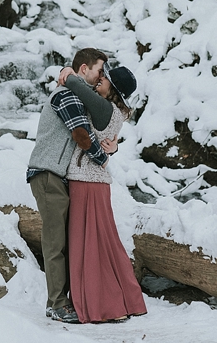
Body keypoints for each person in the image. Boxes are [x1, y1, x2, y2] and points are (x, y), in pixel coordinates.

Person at [57, 62, 147, 324]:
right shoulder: (113, 110)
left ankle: (102, 306)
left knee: (87, 246)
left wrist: (68, 71)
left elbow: (76, 86)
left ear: (114, 90)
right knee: (103, 243)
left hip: (86, 181)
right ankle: (124, 301)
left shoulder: (103, 107)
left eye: (104, 79)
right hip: (94, 180)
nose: (99, 80)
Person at [26, 47, 109, 324]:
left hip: (57, 177)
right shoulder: (67, 95)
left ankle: (68, 301)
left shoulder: (77, 96)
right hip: (48, 174)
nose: (101, 77)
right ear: (83, 69)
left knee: (64, 241)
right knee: (55, 243)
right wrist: (102, 158)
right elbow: (81, 135)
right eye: (98, 70)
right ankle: (57, 305)